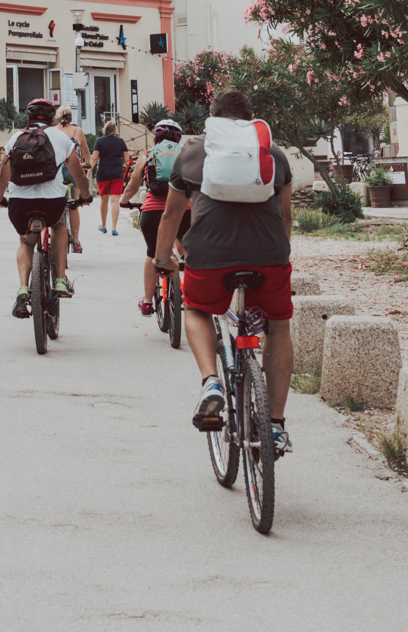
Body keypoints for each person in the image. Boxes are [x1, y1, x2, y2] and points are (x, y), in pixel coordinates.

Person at [155, 88, 295, 458]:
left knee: (198, 308)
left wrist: (160, 259)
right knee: (278, 326)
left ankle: (211, 382)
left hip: (210, 255)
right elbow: (285, 216)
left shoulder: (193, 152)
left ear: (212, 119)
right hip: (269, 256)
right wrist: (281, 256)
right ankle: (277, 426)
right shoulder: (274, 155)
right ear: (251, 120)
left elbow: (171, 214)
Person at [0, 96, 91, 317]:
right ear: (51, 117)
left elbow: (2, 176)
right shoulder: (61, 137)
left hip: (20, 204)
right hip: (52, 203)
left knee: (26, 241)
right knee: (58, 226)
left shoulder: (16, 137)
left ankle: (22, 290)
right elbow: (78, 175)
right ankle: (59, 280)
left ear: (27, 117)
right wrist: (85, 196)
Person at [120, 118, 183, 314]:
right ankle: (192, 297)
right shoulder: (186, 155)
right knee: (187, 251)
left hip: (153, 210)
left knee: (152, 252)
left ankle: (147, 302)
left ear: (157, 136)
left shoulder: (147, 155)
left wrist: (123, 201)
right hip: (184, 210)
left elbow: (132, 186)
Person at [55, 105, 90, 254]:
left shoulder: (53, 132)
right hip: (73, 172)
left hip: (57, 173)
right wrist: (87, 164)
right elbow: (87, 155)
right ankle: (75, 241)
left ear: (57, 118)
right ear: (71, 118)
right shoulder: (78, 132)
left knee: (56, 205)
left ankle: (56, 238)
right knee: (74, 206)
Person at [89, 119, 129, 233]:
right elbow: (126, 159)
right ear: (115, 130)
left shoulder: (99, 141)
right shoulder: (121, 141)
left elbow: (95, 158)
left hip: (103, 174)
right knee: (115, 201)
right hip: (117, 174)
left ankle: (103, 225)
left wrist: (88, 172)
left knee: (104, 200)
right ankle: (114, 228)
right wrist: (118, 164)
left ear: (105, 130)